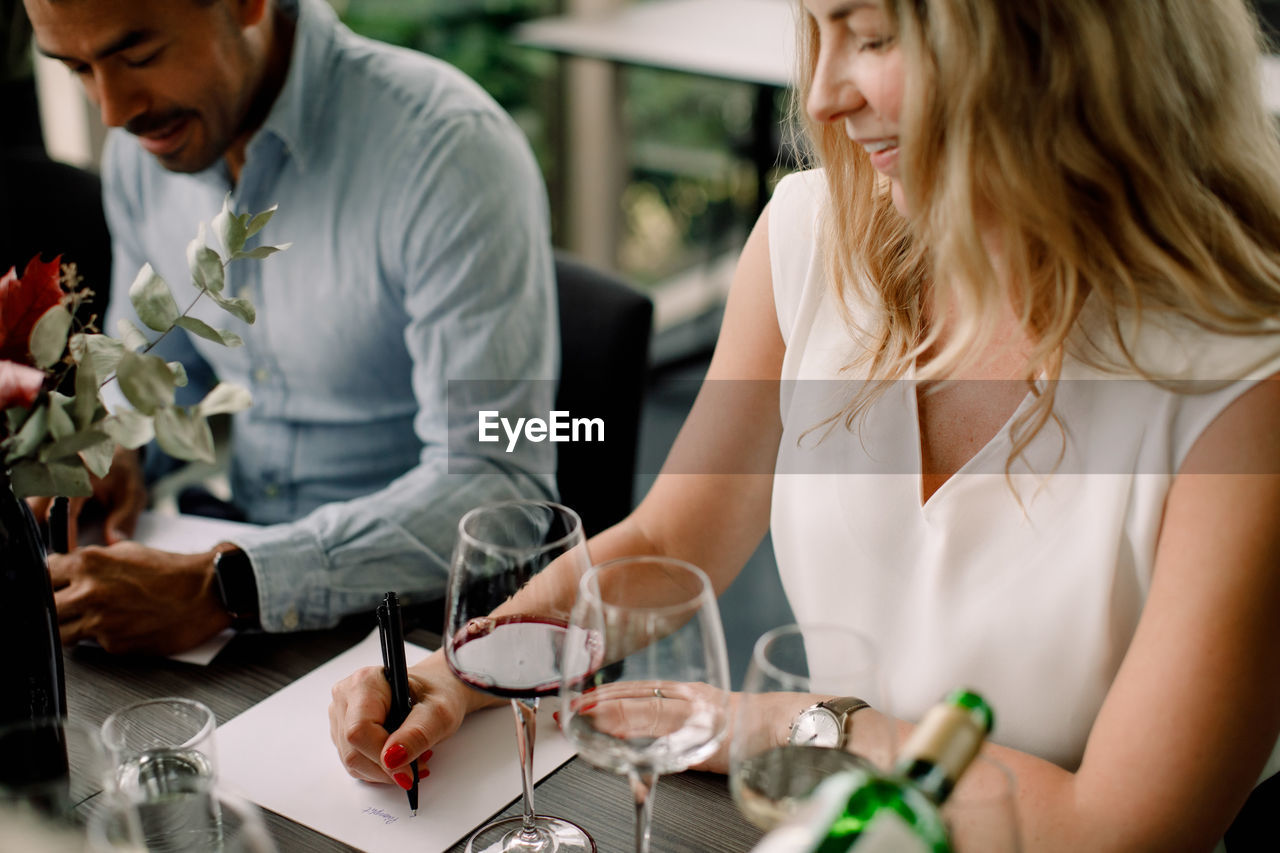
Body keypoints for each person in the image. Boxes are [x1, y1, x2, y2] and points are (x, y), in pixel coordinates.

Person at [330, 0, 1280, 847]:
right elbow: (674, 534)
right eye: (814, 33)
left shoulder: (1244, 384)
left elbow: (1114, 827)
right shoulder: (815, 234)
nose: (820, 96)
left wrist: (791, 727)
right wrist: (473, 672)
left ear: (1053, 39)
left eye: (869, 36)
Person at [21, 0, 557, 655]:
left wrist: (230, 584)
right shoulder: (145, 157)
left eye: (139, 56)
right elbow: (161, 371)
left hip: (436, 623)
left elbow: (502, 484)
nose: (113, 111)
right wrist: (117, 444)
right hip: (238, 582)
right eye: (77, 68)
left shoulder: (448, 151)